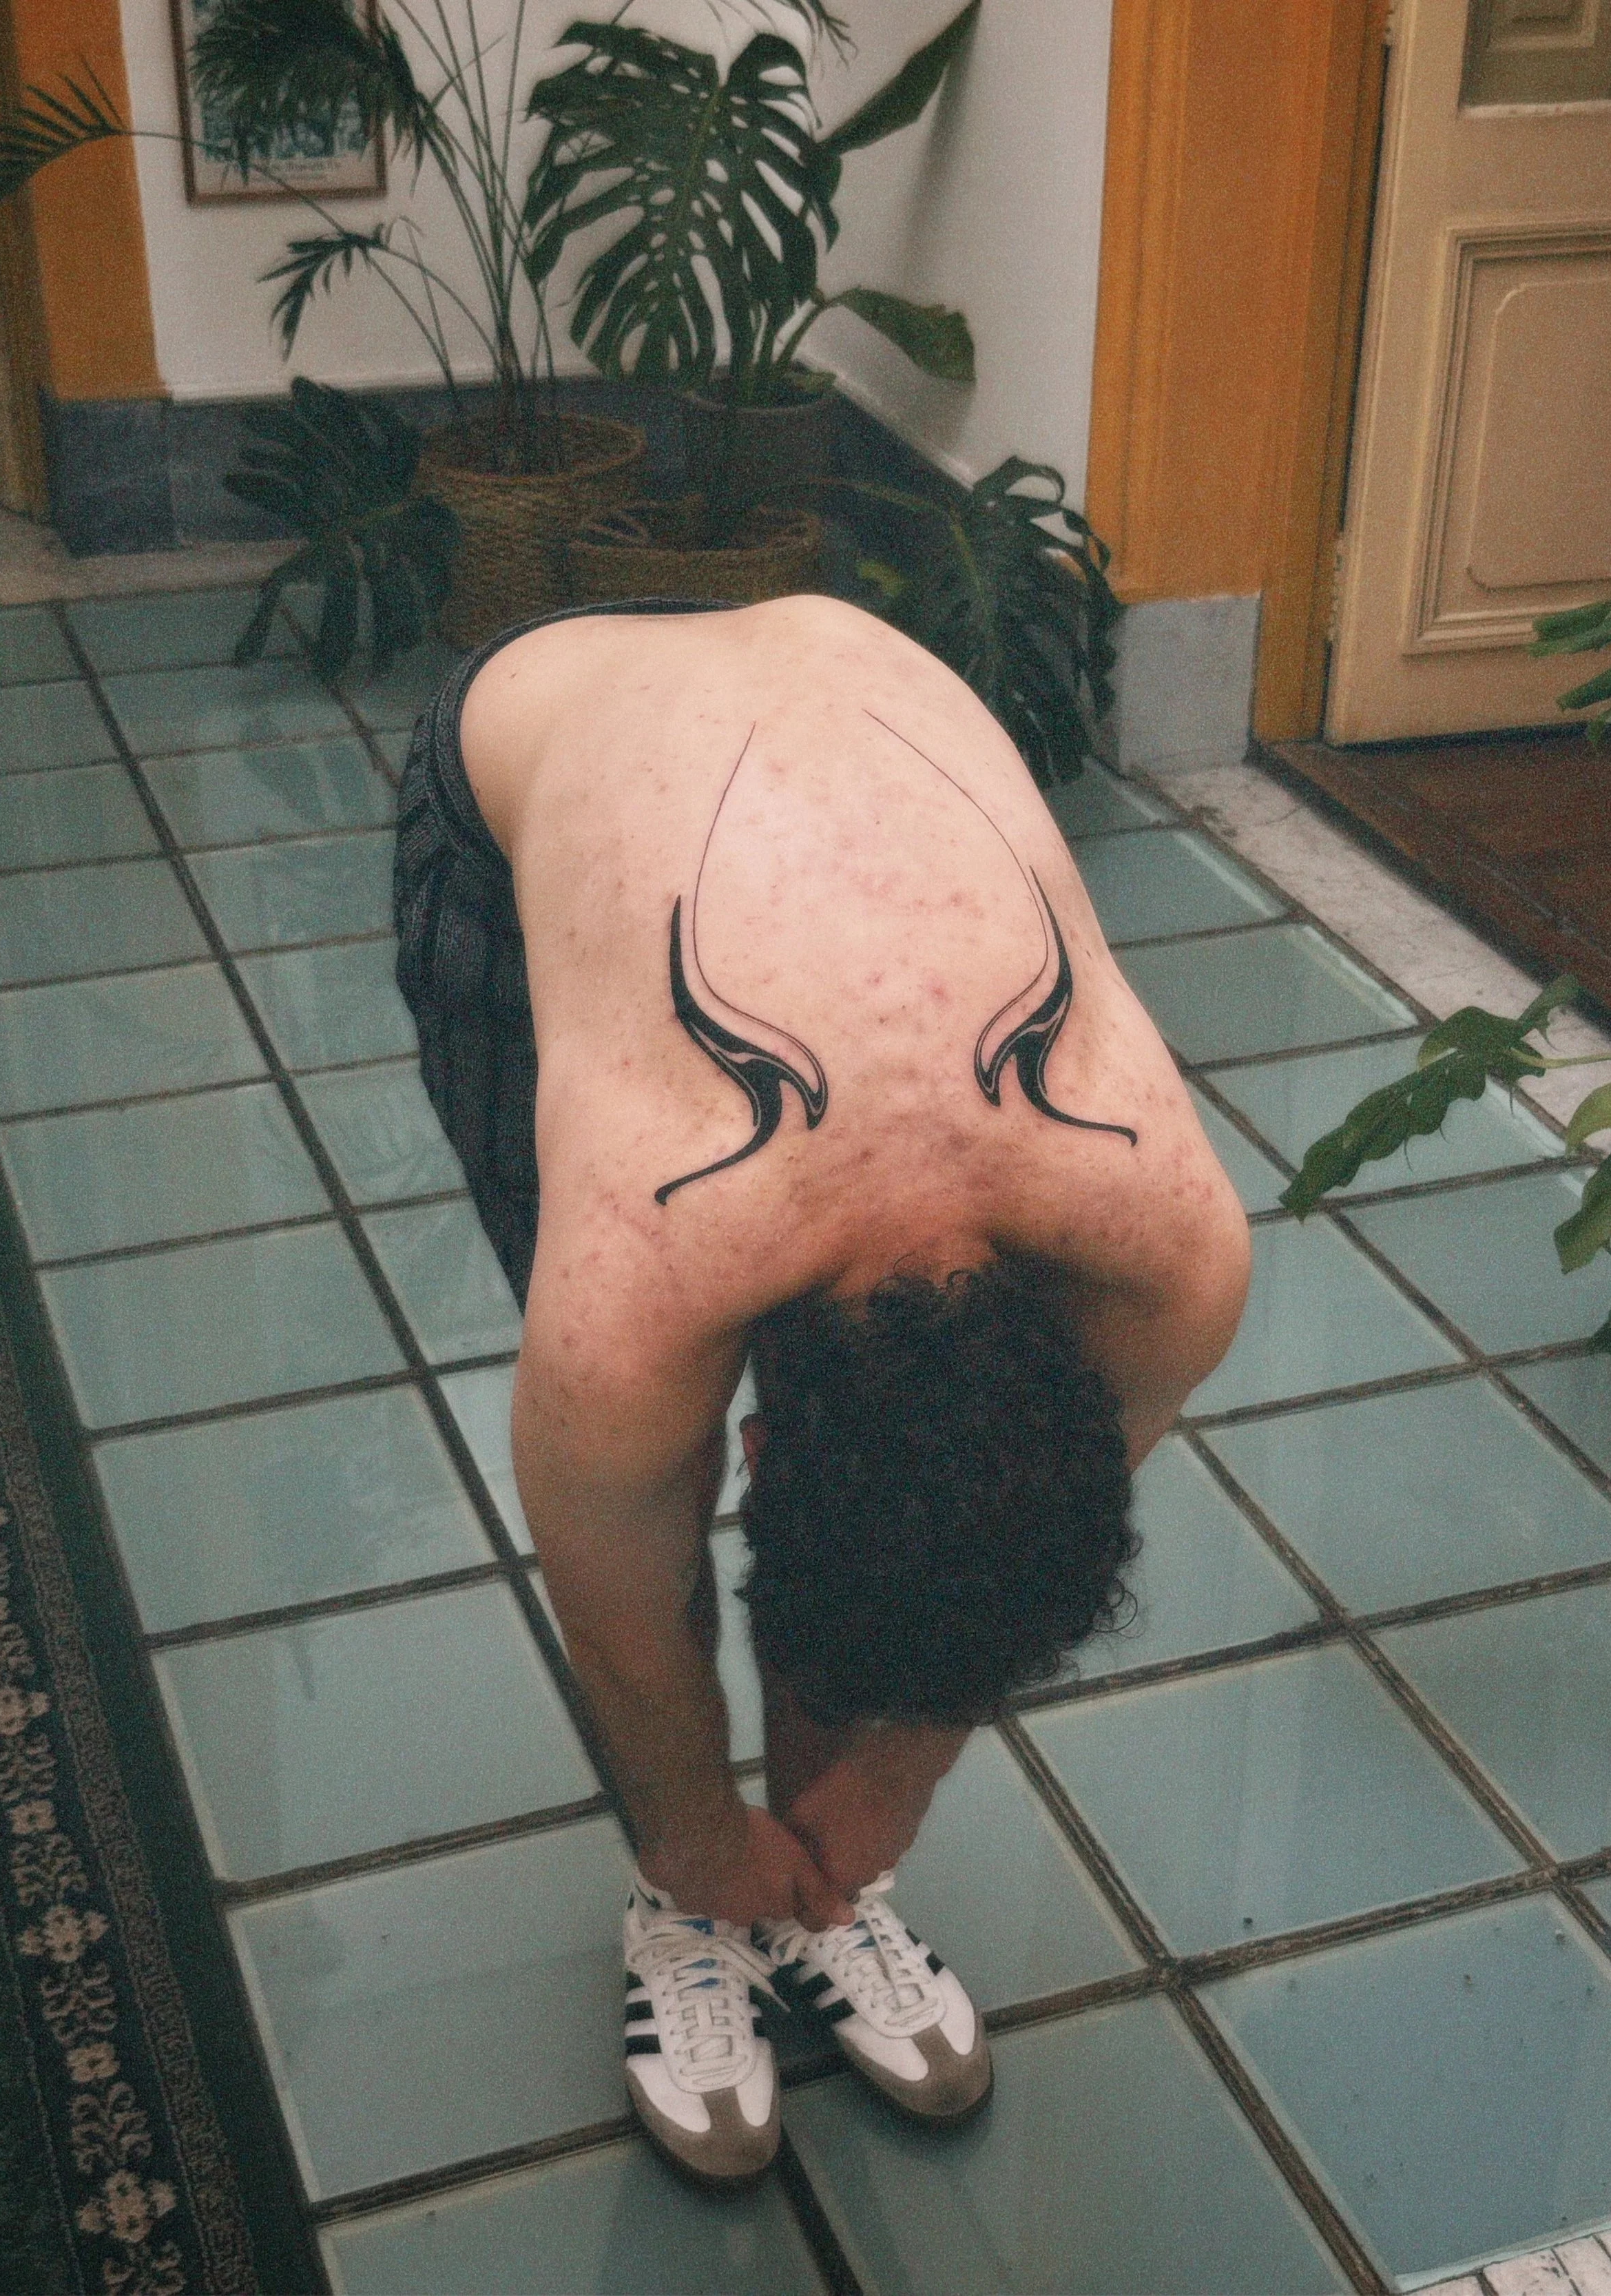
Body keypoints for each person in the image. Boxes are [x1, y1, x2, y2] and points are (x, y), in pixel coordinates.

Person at [393, 593, 1250, 2185]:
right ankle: (696, 1905)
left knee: (921, 1552)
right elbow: (620, 1600)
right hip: (538, 743)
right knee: (629, 1442)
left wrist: (884, 1788)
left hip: (854, 667)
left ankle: (821, 1893)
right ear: (756, 1440)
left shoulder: (1172, 1257)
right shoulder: (633, 1300)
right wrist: (697, 1830)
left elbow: (997, 1563)